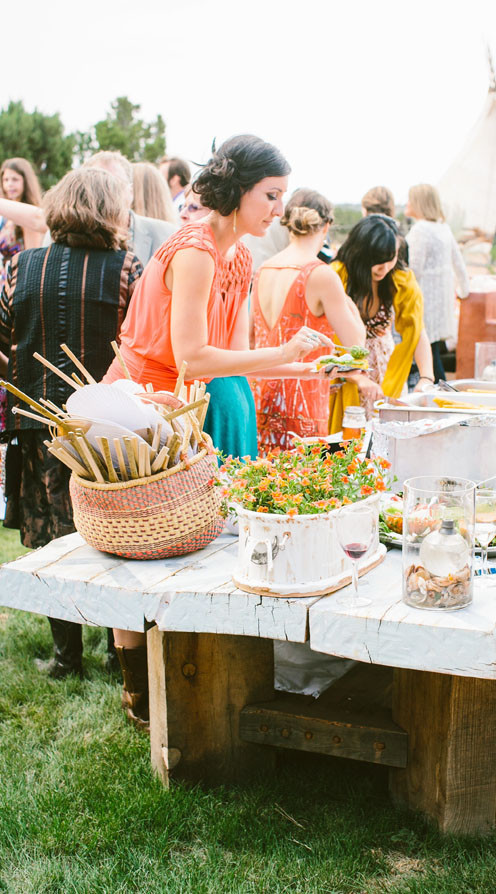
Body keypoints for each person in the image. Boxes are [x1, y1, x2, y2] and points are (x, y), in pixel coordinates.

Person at [103, 135, 333, 729]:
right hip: (137, 409)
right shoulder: (197, 250)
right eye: (270, 195)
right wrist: (283, 351)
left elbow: (229, 359)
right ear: (238, 190)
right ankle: (137, 691)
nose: (279, 209)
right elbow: (190, 358)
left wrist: (303, 366)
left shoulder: (240, 258)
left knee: (175, 545)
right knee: (136, 548)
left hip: (181, 412)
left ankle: (181, 681)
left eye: (282, 196)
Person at [0, 167, 143, 680]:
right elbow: (139, 341)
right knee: (114, 529)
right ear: (113, 212)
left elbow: (3, 334)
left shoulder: (20, 266)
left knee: (53, 537)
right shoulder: (127, 267)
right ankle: (116, 649)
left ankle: (67, 656)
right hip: (108, 424)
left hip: (39, 422)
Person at [251, 188, 365, 452]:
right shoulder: (321, 275)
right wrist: (352, 310)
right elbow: (356, 350)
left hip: (260, 396)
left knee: (260, 474)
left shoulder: (263, 269)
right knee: (300, 475)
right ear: (326, 227)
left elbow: (251, 338)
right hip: (302, 401)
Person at [329, 215, 431, 426]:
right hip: (340, 369)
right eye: (377, 261)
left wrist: (426, 378)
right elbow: (324, 337)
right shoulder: (336, 276)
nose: (384, 268)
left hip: (386, 371)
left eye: (390, 259)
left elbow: (416, 331)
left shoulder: (401, 280)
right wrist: (356, 376)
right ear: (361, 253)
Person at [406, 183, 470, 383]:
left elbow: (413, 270)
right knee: (432, 351)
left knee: (426, 354)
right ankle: (440, 389)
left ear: (419, 203)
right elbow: (459, 263)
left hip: (423, 299)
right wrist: (464, 291)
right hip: (441, 302)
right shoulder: (443, 228)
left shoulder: (420, 230)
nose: (407, 204)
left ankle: (436, 390)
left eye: (410, 200)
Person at [0, 158, 46, 290]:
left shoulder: (28, 216)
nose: (9, 184)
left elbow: (33, 259)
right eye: (6, 180)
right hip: (5, 282)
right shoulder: (6, 216)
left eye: (15, 179)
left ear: (26, 181)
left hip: (18, 284)